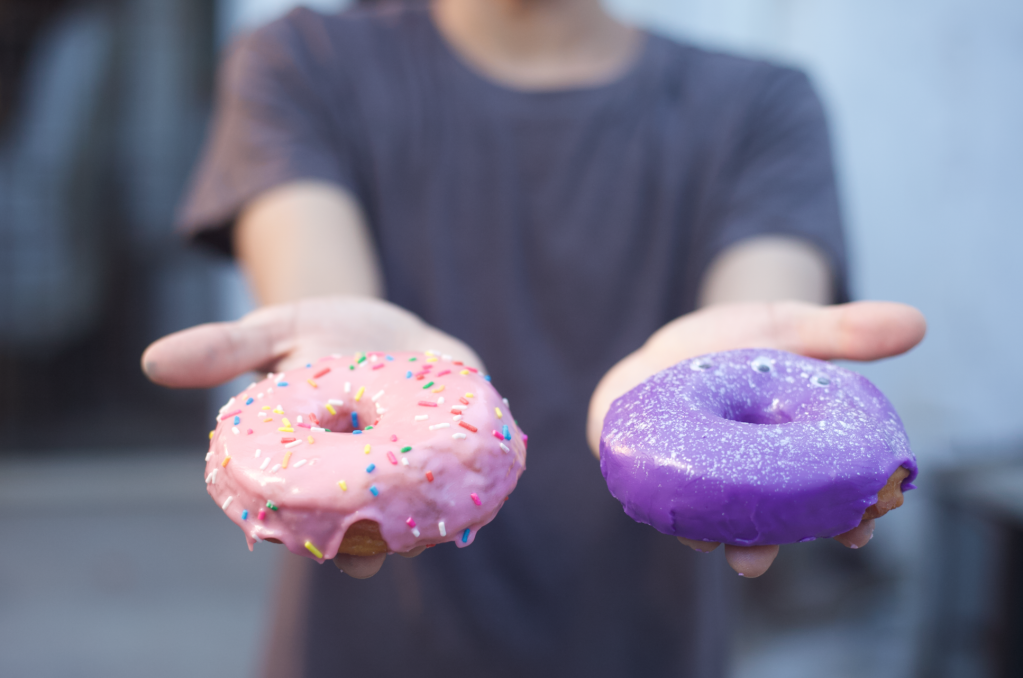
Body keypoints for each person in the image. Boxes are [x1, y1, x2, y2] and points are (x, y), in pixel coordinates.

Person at [142, 0, 926, 675]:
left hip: (646, 648)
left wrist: (736, 405)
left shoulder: (760, 104)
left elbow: (756, 345)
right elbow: (332, 320)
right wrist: (347, 373)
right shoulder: (303, 61)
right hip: (368, 651)